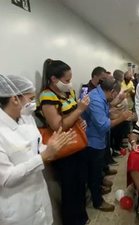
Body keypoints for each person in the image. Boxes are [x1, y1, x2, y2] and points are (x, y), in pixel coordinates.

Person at [0, 74, 74, 225]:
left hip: (39, 195)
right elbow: (6, 177)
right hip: (17, 206)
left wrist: (54, 148)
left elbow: (38, 148)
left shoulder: (27, 118)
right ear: (15, 99)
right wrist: (45, 154)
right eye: (31, 98)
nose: (34, 103)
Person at [37, 59, 90, 225]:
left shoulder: (69, 92)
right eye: (66, 80)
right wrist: (80, 110)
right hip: (64, 147)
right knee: (69, 188)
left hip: (78, 143)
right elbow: (57, 126)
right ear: (54, 79)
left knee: (81, 182)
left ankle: (82, 217)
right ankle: (74, 221)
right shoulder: (47, 96)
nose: (69, 83)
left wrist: (81, 119)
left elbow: (73, 114)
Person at [82, 77, 132, 212]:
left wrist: (116, 114)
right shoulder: (96, 100)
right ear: (113, 92)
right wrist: (122, 118)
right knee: (93, 172)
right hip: (92, 142)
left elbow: (105, 114)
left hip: (98, 140)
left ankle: (98, 187)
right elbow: (103, 126)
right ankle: (98, 201)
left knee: (97, 170)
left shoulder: (100, 95)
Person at [110, 70, 131, 158]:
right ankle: (116, 147)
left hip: (122, 113)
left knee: (122, 131)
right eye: (122, 77)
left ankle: (119, 144)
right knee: (116, 133)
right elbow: (112, 102)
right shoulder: (114, 87)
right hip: (116, 115)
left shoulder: (119, 86)